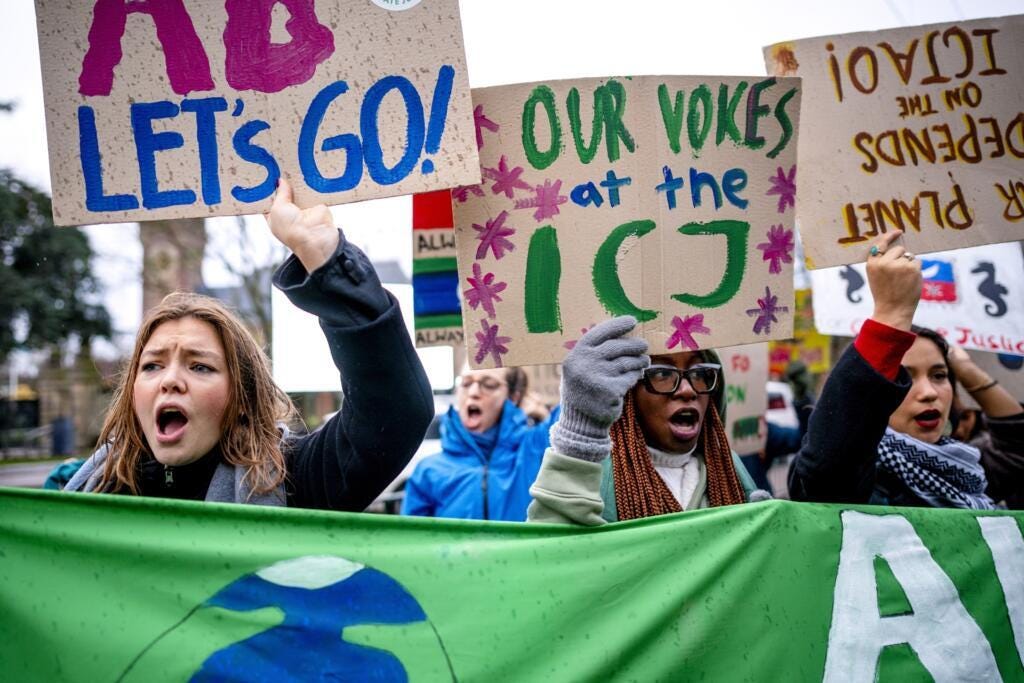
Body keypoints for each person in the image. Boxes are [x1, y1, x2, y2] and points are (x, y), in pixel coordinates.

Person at [64, 178, 433, 510]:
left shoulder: (294, 482)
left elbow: (395, 412)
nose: (169, 380)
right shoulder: (90, 494)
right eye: (152, 365)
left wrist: (326, 261)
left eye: (200, 366)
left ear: (242, 397)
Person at [788, 231, 1024, 509]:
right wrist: (891, 315)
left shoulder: (969, 471)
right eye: (903, 377)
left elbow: (1016, 447)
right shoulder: (866, 482)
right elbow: (827, 470)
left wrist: (966, 368)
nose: (928, 392)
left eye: (939, 375)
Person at [528, 316, 760, 526]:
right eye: (662, 374)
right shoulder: (597, 479)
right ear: (629, 394)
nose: (688, 390)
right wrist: (578, 441)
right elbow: (548, 558)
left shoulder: (730, 472)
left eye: (700, 373)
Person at [400, 365, 558, 521]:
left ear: (513, 397)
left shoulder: (536, 448)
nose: (473, 392)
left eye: (489, 384)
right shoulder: (427, 471)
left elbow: (575, 401)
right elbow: (411, 540)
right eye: (466, 383)